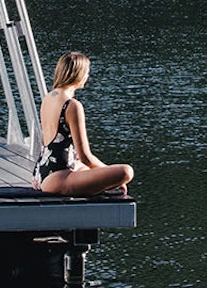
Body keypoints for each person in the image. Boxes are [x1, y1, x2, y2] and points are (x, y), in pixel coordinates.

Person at [32, 51, 134, 196]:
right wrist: (111, 174)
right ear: (78, 74)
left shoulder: (49, 98)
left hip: (41, 173)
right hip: (59, 178)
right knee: (126, 171)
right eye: (86, 72)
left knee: (86, 169)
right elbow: (85, 156)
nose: (87, 76)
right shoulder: (72, 105)